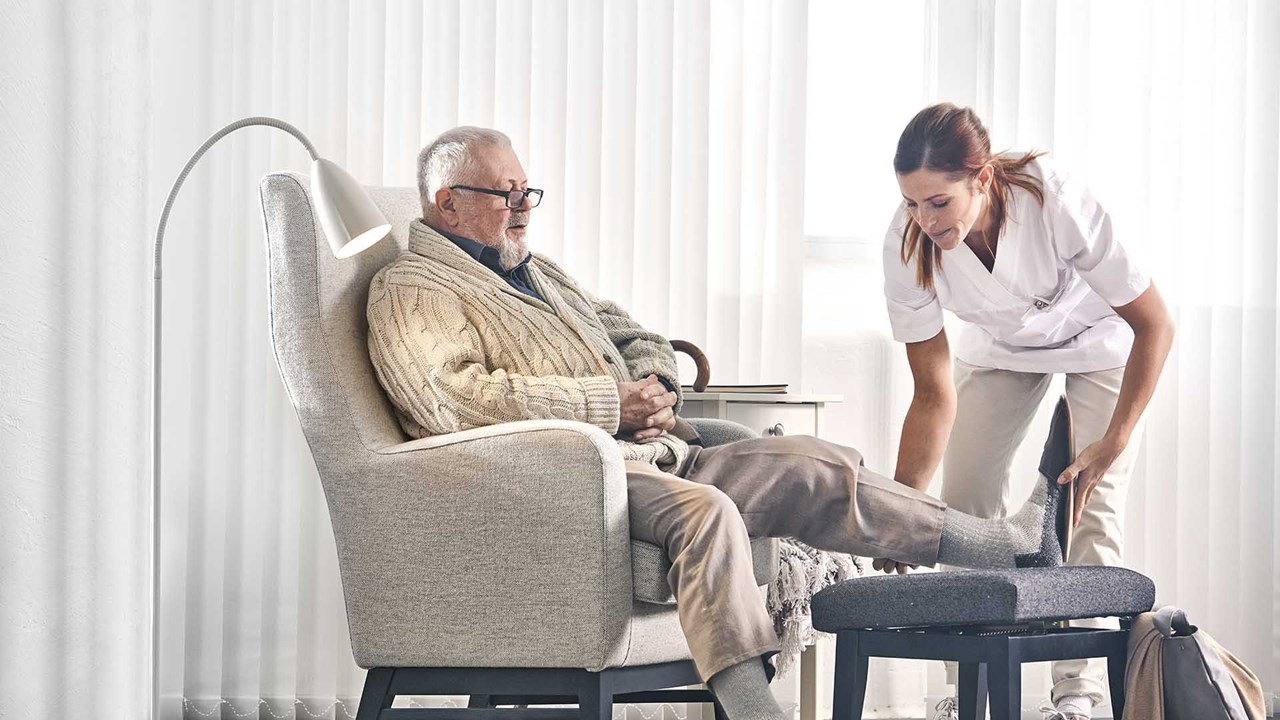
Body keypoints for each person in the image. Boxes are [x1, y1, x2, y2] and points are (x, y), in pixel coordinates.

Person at [367, 126, 1071, 720]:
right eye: (505, 194)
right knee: (705, 512)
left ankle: (1008, 545)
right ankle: (752, 708)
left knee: (811, 464)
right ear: (447, 203)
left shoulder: (535, 268)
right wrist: (610, 403)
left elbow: (635, 333)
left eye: (528, 191)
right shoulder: (413, 288)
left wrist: (656, 387)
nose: (524, 206)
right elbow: (451, 399)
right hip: (563, 478)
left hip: (654, 454)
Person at [880, 104, 1176, 720]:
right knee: (963, 503)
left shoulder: (1052, 199)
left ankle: (1078, 695)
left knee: (1088, 507)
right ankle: (968, 689)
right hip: (1001, 350)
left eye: (938, 202)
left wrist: (1116, 439)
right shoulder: (908, 245)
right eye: (911, 202)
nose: (923, 218)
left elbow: (1154, 323)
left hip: (1102, 338)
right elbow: (932, 393)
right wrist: (902, 508)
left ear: (981, 178)